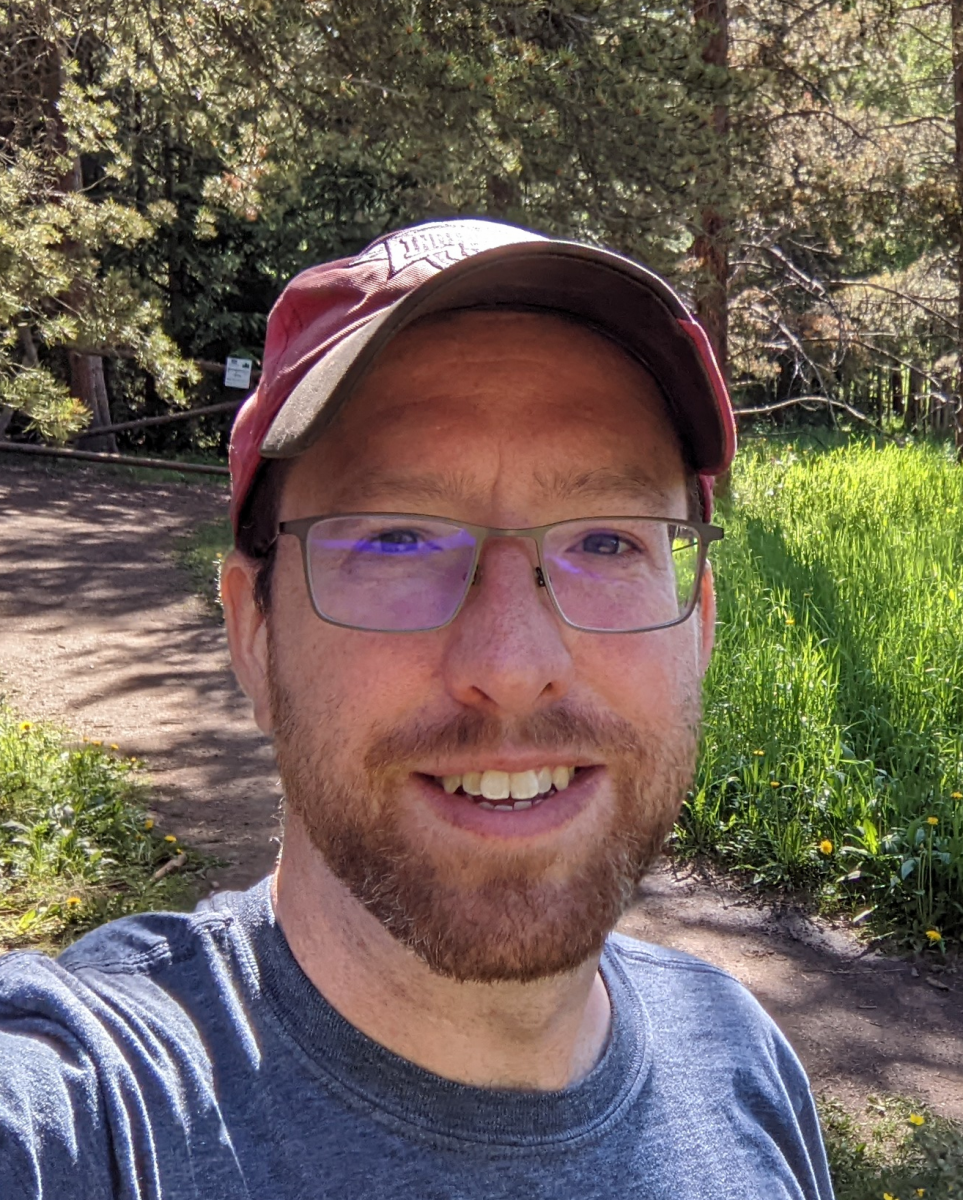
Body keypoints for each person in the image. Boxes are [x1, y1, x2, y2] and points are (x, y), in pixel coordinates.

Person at [0, 218, 834, 1199]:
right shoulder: (91, 1117)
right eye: (397, 540)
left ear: (697, 625)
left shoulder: (742, 1062)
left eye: (608, 541)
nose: (514, 665)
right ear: (254, 634)